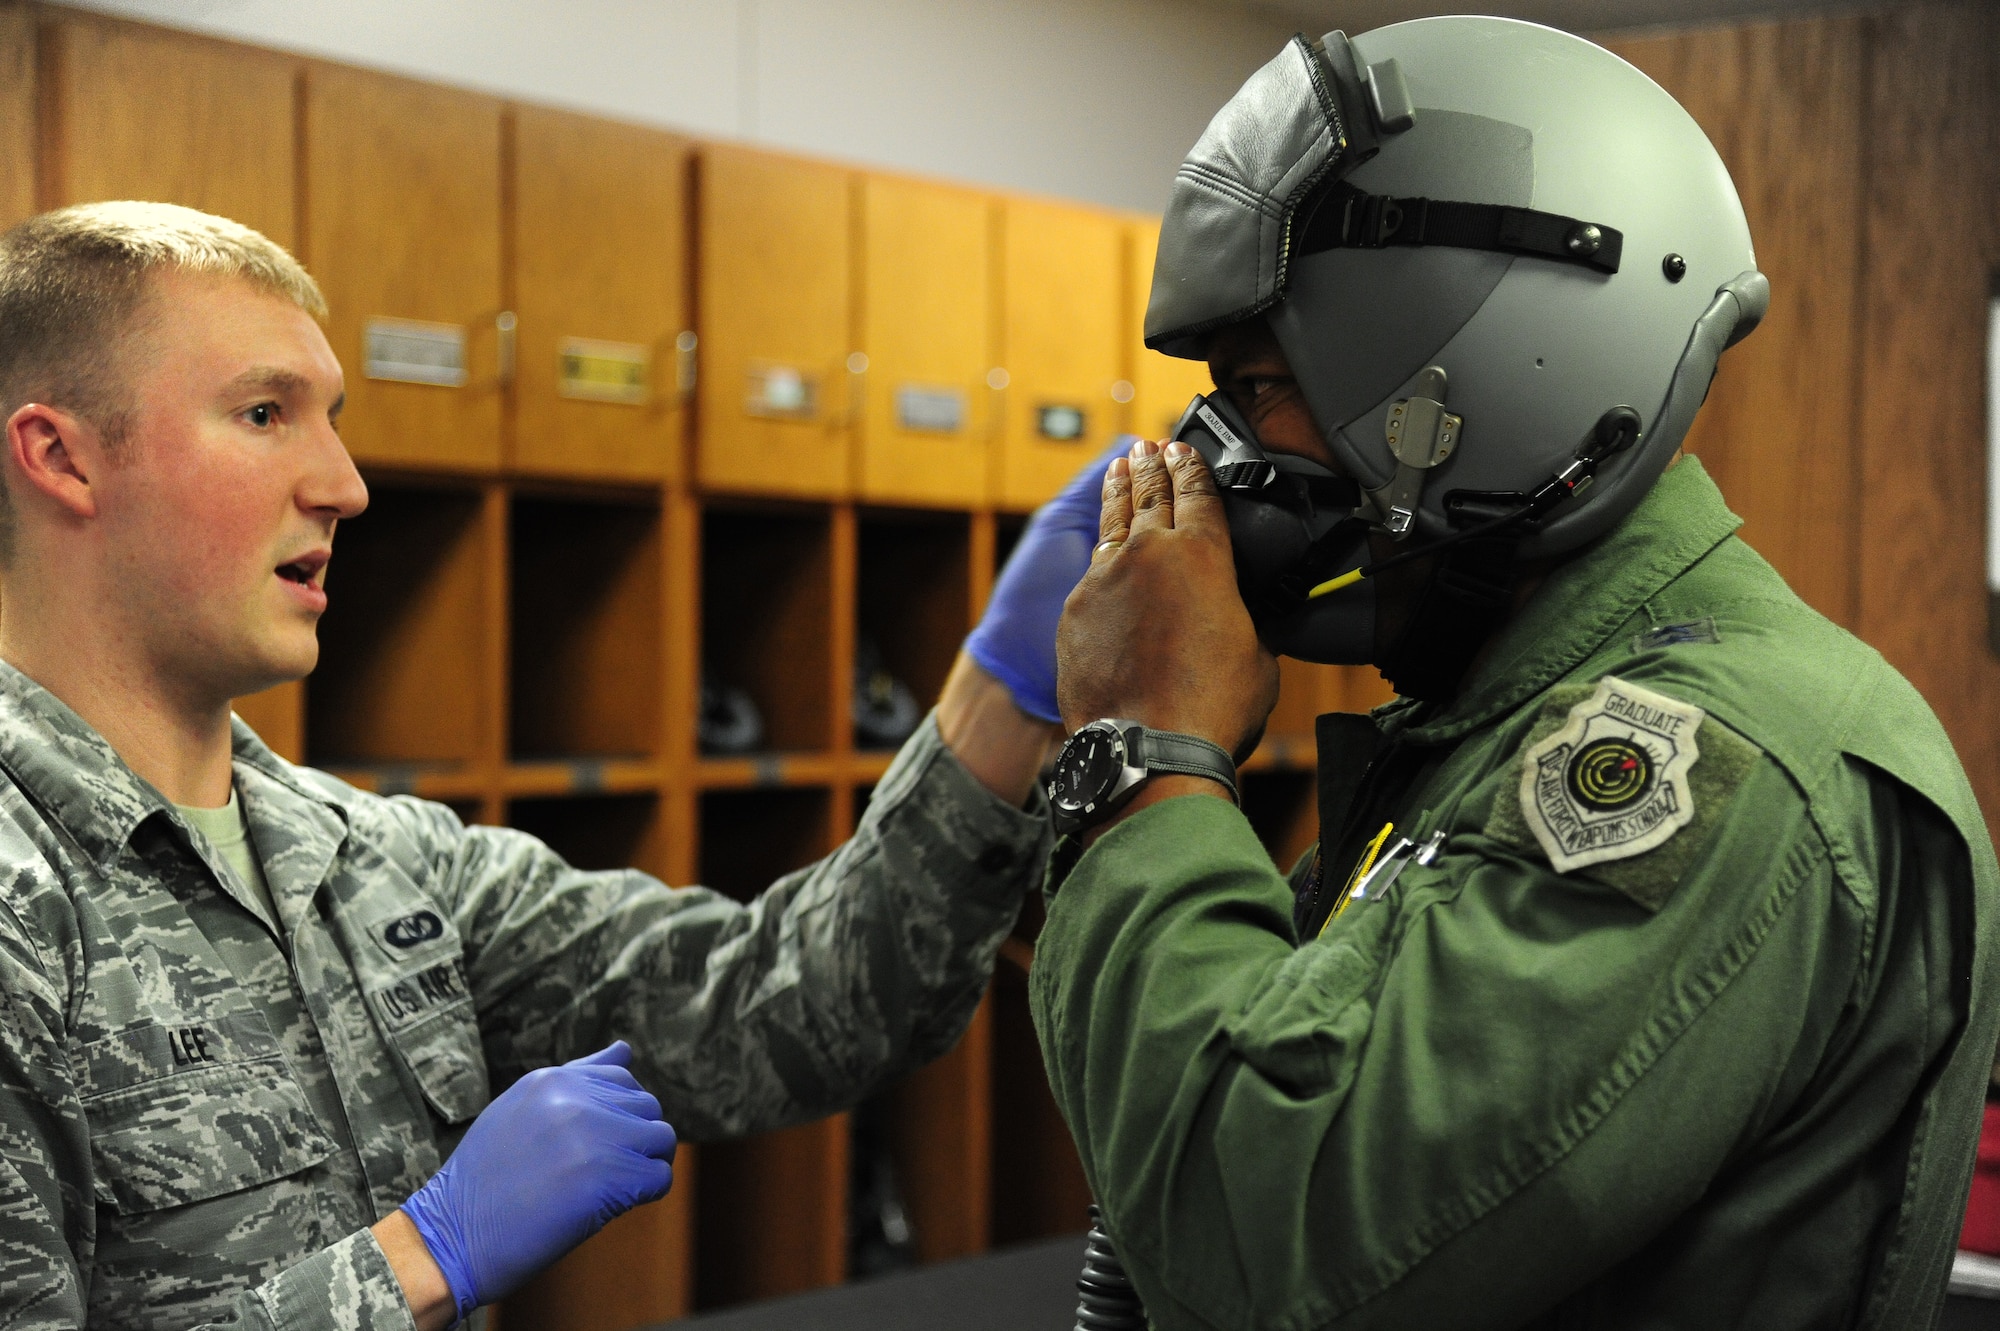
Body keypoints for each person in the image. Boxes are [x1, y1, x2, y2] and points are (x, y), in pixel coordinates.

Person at [1032, 17, 2000, 1330]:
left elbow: (1261, 1243)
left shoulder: (1718, 758)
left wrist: (1144, 753)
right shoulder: (1504, 720)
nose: (1209, 454)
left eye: (1258, 385)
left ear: (1465, 382)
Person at [0, 199, 1101, 1330]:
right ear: (61, 456)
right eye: (266, 412)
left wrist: (1000, 706)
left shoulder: (374, 861)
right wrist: (417, 1257)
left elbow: (783, 1005)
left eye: (332, 418)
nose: (344, 482)